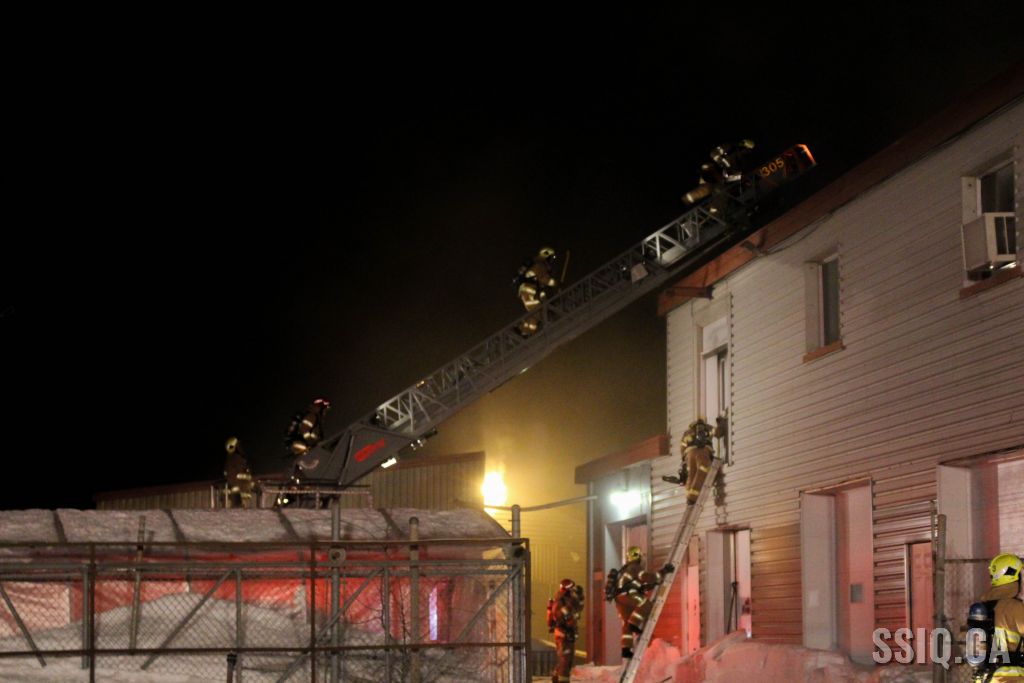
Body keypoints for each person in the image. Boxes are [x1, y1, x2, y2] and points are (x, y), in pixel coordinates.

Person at [607, 546, 673, 659]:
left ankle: (626, 649)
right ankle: (634, 624)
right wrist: (663, 571)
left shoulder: (624, 570)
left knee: (626, 623)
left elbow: (637, 584)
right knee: (646, 604)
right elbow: (648, 577)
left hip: (619, 599)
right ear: (638, 556)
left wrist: (649, 586)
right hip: (628, 595)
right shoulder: (635, 567)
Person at [972, 553, 1024, 682]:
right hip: (1010, 678)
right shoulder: (1015, 607)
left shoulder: (983, 606)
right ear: (1014, 577)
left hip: (985, 678)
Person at [663, 414, 727, 504]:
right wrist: (720, 424)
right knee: (702, 471)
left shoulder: (687, 432)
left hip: (689, 455)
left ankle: (689, 498)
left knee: (691, 475)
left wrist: (684, 461)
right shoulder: (707, 428)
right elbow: (718, 433)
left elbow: (682, 448)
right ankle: (692, 498)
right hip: (703, 452)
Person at [513, 247, 559, 337]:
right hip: (528, 291)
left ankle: (525, 332)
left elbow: (540, 283)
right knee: (538, 310)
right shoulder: (540, 265)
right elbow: (545, 279)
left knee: (537, 312)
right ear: (546, 256)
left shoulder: (537, 264)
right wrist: (556, 283)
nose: (552, 260)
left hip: (528, 291)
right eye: (551, 257)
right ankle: (521, 329)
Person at [546, 578, 584, 683]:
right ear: (568, 590)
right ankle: (563, 680)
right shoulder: (561, 601)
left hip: (567, 633)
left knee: (565, 658)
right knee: (565, 659)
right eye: (572, 589)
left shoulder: (567, 600)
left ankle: (556, 678)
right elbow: (559, 617)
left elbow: (578, 608)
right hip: (563, 633)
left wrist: (580, 597)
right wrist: (567, 627)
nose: (573, 592)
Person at [223, 437, 255, 509]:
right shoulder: (235, 459)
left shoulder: (231, 459)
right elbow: (241, 474)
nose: (240, 447)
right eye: (238, 445)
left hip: (241, 494)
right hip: (239, 495)